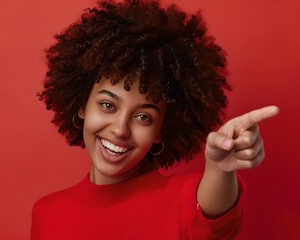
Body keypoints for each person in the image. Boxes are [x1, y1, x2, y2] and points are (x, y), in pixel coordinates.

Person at [31, 0, 279, 239]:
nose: (120, 129)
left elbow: (217, 220)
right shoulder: (47, 213)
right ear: (82, 106)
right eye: (108, 105)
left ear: (162, 129)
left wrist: (220, 169)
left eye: (143, 117)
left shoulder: (183, 200)